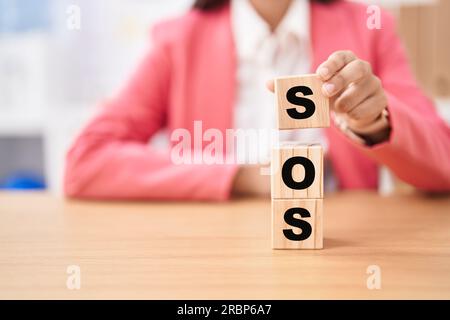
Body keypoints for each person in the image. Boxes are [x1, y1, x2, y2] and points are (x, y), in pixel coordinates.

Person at [64, 0, 450, 200]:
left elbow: (443, 162)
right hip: (213, 258)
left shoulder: (370, 26)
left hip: (341, 258)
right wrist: (241, 177)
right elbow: (86, 160)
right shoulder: (176, 41)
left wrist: (375, 122)